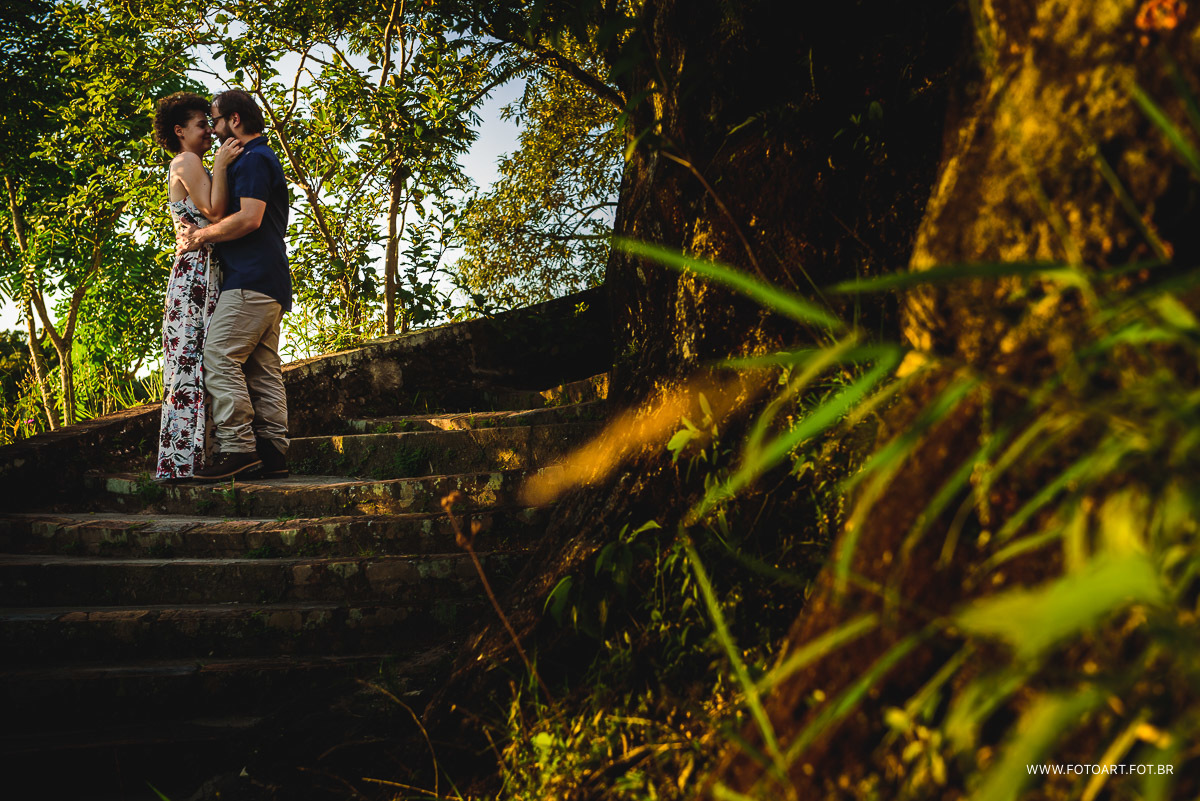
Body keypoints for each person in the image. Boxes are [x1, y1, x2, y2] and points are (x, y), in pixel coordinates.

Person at [176, 89, 292, 481]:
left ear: (235, 121)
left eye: (215, 118)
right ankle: (274, 453)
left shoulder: (255, 157)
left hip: (251, 279)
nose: (212, 126)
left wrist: (201, 236)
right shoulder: (255, 157)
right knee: (262, 368)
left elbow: (249, 219)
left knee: (218, 356)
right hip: (268, 279)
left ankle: (238, 448)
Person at [152, 92, 243, 480]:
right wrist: (222, 163)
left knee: (199, 364)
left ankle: (194, 460)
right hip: (193, 277)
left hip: (204, 271)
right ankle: (182, 465)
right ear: (179, 131)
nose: (210, 130)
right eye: (202, 125)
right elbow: (215, 211)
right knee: (190, 364)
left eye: (210, 123)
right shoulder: (186, 161)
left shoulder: (194, 162)